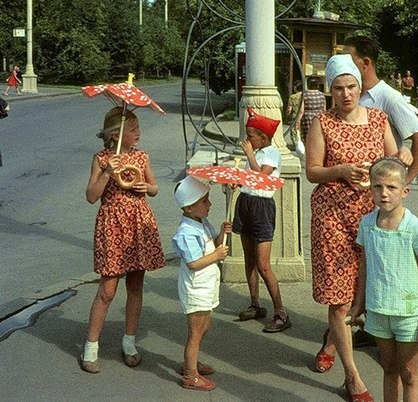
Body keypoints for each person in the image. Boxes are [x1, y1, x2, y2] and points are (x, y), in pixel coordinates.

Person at [306, 53, 412, 402]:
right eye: (338, 88)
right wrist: (340, 171)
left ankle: (331, 339)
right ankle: (353, 379)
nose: (346, 94)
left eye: (351, 86)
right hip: (332, 218)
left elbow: (393, 162)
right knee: (338, 300)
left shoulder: (379, 119)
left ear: (359, 86)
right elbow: (312, 172)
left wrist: (405, 154)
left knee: (366, 294)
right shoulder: (321, 123)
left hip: (371, 218)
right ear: (330, 91)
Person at [80, 107, 165, 373]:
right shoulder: (101, 158)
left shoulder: (141, 158)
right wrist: (107, 172)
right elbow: (91, 196)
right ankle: (91, 348)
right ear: (116, 134)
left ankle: (129, 343)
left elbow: (154, 188)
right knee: (107, 289)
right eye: (134, 129)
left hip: (139, 223)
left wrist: (146, 188)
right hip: (112, 224)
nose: (139, 133)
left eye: (138, 128)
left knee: (136, 285)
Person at [349, 157, 418, 402]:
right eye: (377, 187)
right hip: (378, 311)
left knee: (409, 374)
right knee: (388, 369)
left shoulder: (414, 228)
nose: (384, 194)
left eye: (391, 188)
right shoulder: (367, 224)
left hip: (408, 314)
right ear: (370, 188)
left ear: (404, 191)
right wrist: (359, 303)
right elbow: (365, 264)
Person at [234, 107, 292, 333]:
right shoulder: (256, 154)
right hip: (246, 203)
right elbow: (249, 180)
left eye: (250, 135)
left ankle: (281, 312)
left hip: (262, 208)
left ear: (263, 137)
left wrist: (249, 156)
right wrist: (238, 181)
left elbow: (261, 178)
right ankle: (255, 303)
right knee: (249, 259)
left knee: (263, 264)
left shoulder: (271, 153)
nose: (247, 139)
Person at [344, 35, 418, 184]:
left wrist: (403, 182)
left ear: (365, 63)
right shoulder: (350, 95)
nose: (343, 65)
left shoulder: (389, 97)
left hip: (378, 188)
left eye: (348, 60)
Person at [172, 175, 232, 391]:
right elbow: (193, 263)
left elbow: (212, 245)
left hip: (207, 284)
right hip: (196, 287)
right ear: (189, 208)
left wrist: (222, 235)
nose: (209, 204)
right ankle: (190, 374)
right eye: (204, 201)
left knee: (205, 325)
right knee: (195, 333)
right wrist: (217, 255)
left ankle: (192, 360)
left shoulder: (201, 223)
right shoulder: (186, 232)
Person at [298, 77, 326, 143]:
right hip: (319, 117)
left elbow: (301, 110)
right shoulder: (322, 95)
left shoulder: (304, 94)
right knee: (318, 136)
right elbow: (324, 109)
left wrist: (298, 121)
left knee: (308, 138)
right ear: (318, 85)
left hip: (307, 118)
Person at [285, 80, 303, 149]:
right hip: (304, 117)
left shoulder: (293, 97)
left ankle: (296, 145)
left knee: (294, 132)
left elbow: (289, 109)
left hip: (295, 117)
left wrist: (287, 116)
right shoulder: (305, 95)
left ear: (295, 88)